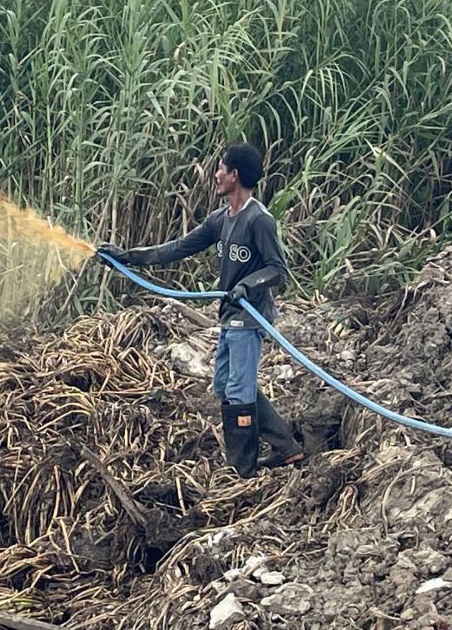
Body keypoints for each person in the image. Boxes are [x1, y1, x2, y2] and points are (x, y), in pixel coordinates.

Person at [97, 143, 303, 478]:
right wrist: (127, 256)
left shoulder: (259, 220)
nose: (216, 174)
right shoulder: (220, 220)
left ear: (234, 175)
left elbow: (278, 270)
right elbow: (175, 249)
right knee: (225, 386)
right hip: (229, 314)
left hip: (250, 316)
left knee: (237, 390)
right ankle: (285, 446)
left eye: (220, 168)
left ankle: (243, 470)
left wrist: (247, 286)